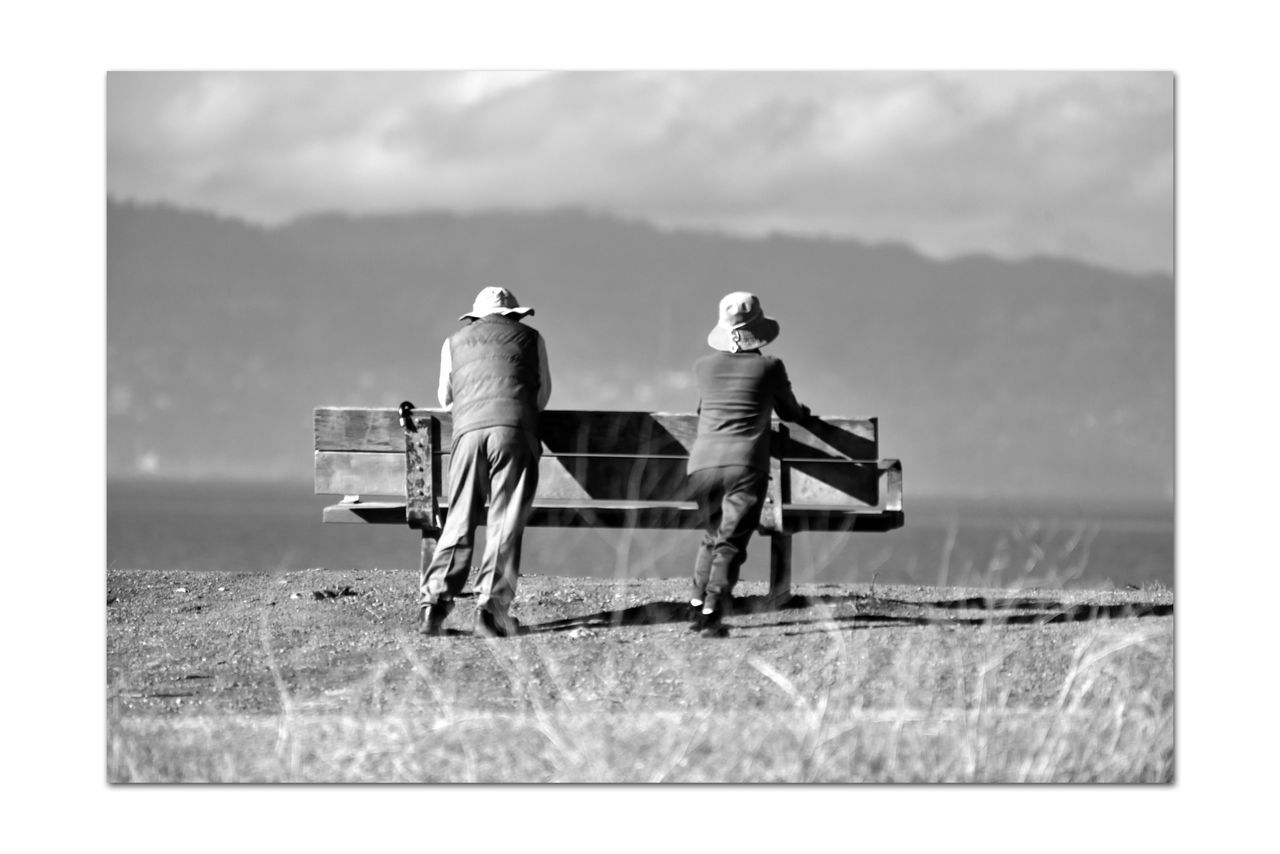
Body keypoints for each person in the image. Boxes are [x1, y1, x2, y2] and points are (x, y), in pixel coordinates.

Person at [418, 286, 551, 638]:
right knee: (504, 520)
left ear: (476, 316)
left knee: (459, 517)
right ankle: (490, 610)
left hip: (467, 435)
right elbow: (541, 397)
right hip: (513, 432)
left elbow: (445, 399)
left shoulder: (454, 341)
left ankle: (434, 602)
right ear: (513, 315)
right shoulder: (532, 339)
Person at [687, 292, 810, 638]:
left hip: (701, 467)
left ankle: (697, 602)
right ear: (758, 331)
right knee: (731, 542)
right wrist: (804, 414)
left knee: (712, 535)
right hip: (744, 466)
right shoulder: (770, 367)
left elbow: (703, 411)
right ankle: (713, 611)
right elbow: (790, 412)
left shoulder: (703, 367)